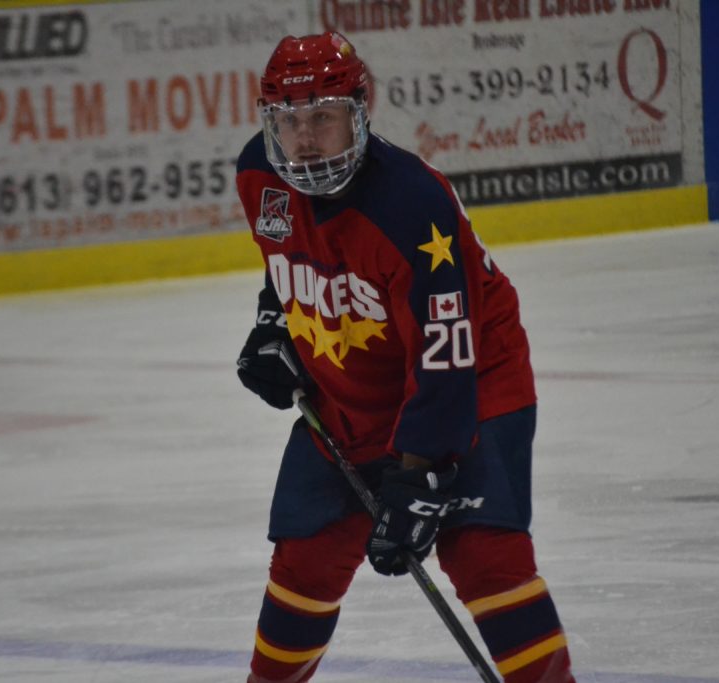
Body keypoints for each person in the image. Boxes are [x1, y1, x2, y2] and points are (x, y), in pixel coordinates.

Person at [234, 32, 576, 683]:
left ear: (361, 112)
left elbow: (445, 358)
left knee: (483, 555)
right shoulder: (260, 176)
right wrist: (275, 321)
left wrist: (422, 475)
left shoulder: (412, 206)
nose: (304, 139)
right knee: (305, 554)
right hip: (354, 389)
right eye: (290, 119)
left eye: (323, 118)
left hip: (474, 379)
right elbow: (290, 259)